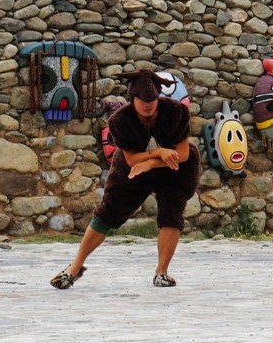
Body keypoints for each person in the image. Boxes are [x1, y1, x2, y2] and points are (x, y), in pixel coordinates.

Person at [53, 70, 196, 289]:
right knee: (107, 212)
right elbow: (132, 159)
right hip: (132, 168)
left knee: (171, 213)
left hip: (175, 168)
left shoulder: (176, 112)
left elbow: (183, 153)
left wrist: (152, 162)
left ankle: (162, 272)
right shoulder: (120, 120)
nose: (147, 105)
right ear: (132, 99)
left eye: (152, 100)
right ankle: (75, 267)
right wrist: (158, 154)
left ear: (158, 97)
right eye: (142, 100)